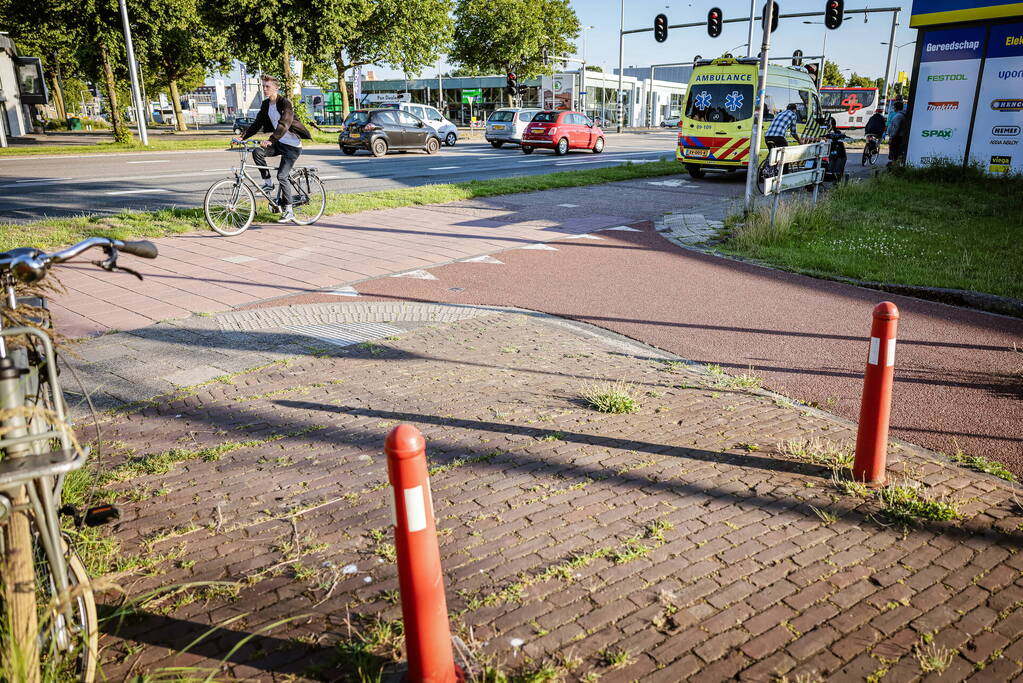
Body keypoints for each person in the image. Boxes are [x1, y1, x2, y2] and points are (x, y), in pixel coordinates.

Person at [232, 74, 312, 223]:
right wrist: (242, 137)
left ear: (276, 88)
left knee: (282, 176)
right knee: (257, 152)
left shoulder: (285, 103)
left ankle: (289, 211)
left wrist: (271, 140)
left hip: (292, 146)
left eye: (267, 86)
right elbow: (257, 124)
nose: (265, 89)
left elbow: (284, 124)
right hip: (279, 144)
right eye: (263, 86)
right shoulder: (266, 104)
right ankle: (268, 184)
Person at [886, 100, 907, 166]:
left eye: (894, 107)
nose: (893, 108)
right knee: (896, 153)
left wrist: (892, 136)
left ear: (896, 108)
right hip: (899, 137)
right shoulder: (901, 115)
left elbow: (896, 127)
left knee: (895, 153)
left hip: (896, 137)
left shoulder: (898, 116)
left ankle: (894, 166)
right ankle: (895, 164)